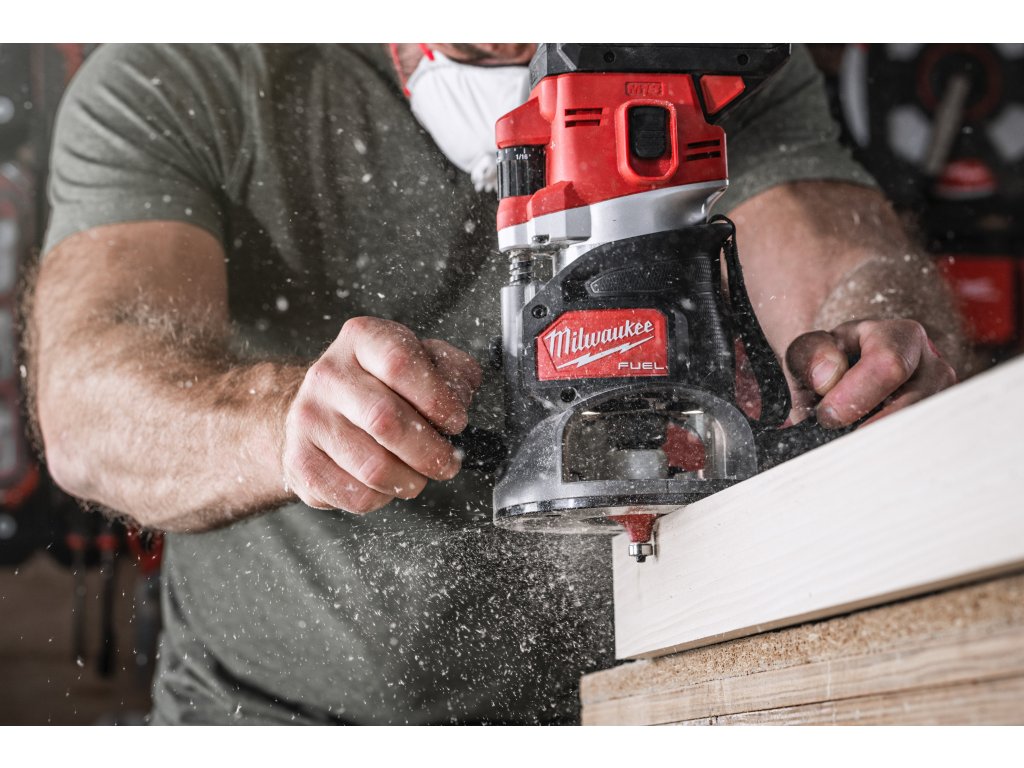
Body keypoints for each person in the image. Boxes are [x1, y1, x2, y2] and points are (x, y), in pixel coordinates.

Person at [26, 43, 961, 725]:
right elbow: (90, 400)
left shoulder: (694, 48)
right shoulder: (187, 65)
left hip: (640, 702)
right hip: (275, 721)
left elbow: (845, 265)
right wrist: (288, 422)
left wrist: (873, 345)